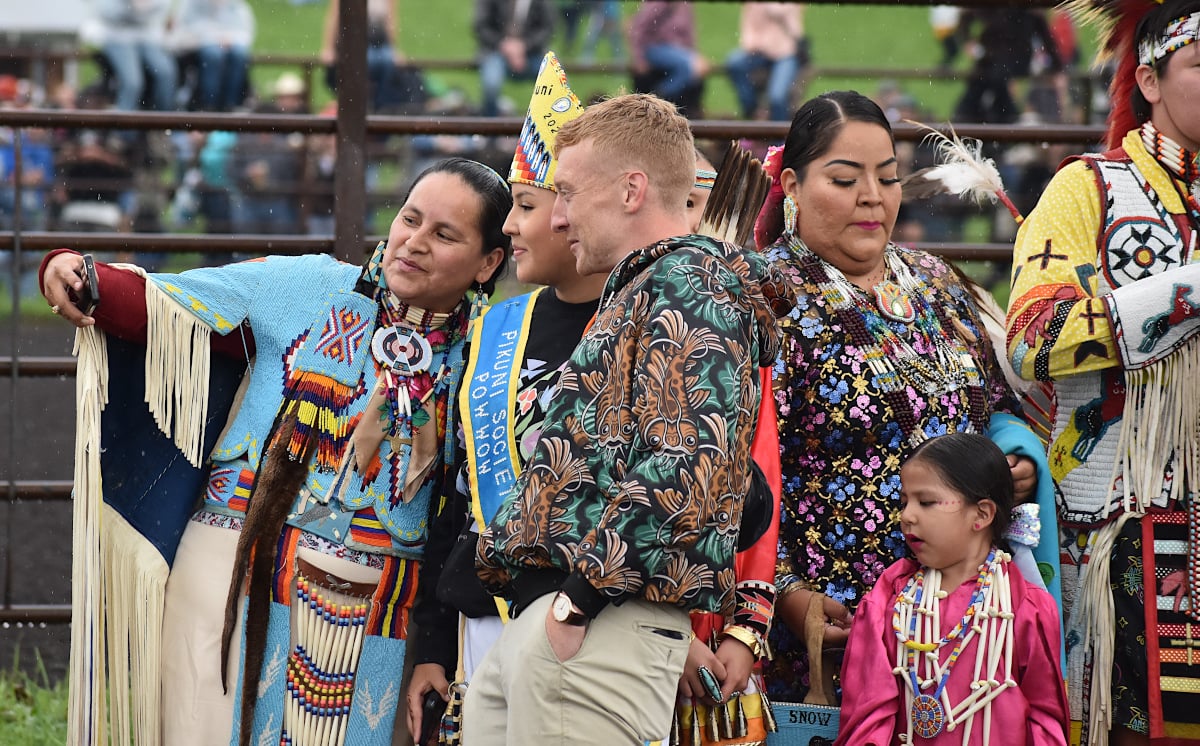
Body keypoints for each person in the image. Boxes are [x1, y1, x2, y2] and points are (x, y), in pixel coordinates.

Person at [40, 157, 510, 746]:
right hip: (230, 570)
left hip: (378, 609)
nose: (413, 243)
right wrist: (77, 271)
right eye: (409, 219)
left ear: (489, 261)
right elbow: (165, 304)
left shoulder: (492, 353)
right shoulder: (307, 286)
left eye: (445, 235)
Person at [466, 93, 793, 745]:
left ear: (631, 190)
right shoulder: (661, 284)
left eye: (567, 193)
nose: (557, 217)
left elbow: (685, 466)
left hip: (596, 625)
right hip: (573, 625)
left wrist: (575, 601)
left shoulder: (689, 283)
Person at [752, 90, 1043, 703]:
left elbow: (997, 406)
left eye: (887, 178)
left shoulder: (935, 282)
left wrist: (1011, 464)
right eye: (844, 178)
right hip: (831, 622)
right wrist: (781, 595)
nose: (872, 197)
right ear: (793, 187)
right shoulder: (761, 297)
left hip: (959, 622)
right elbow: (731, 469)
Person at [1005, 2, 1200, 742]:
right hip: (1125, 526)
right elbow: (1031, 338)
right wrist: (1184, 291)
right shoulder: (1089, 190)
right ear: (1148, 78)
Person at [404, 51, 602, 741]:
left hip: (595, 628)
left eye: (525, 206)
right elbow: (457, 497)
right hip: (483, 626)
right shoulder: (497, 330)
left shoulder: (646, 324)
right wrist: (432, 643)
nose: (510, 226)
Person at [836, 432, 1069, 745]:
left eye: (926, 502)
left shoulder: (1024, 605)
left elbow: (1045, 719)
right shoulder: (891, 601)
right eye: (904, 502)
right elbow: (868, 718)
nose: (906, 515)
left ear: (982, 514)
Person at [85, 0, 178, 112]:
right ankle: (123, 125)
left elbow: (162, 7)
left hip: (146, 36)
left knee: (166, 73)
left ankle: (164, 122)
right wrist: (131, 6)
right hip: (117, 36)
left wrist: (145, 6)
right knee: (133, 83)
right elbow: (105, 12)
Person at [726, 3, 807, 122]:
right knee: (734, 63)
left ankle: (778, 136)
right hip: (759, 50)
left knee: (777, 97)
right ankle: (752, 110)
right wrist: (751, 44)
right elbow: (748, 23)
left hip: (786, 52)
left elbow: (781, 13)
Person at [473, 0, 555, 117]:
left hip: (532, 53)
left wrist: (524, 46)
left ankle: (550, 125)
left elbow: (547, 28)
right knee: (491, 84)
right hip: (496, 51)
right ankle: (491, 126)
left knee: (557, 83)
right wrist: (504, 45)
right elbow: (481, 26)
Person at [170, 0, 255, 112]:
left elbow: (246, 34)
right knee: (213, 55)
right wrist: (214, 38)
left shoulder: (237, 6)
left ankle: (232, 105)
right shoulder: (190, 5)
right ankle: (208, 105)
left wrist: (229, 39)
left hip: (228, 47)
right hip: (196, 49)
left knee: (239, 54)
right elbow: (182, 33)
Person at [629, 1, 708, 116]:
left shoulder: (685, 6)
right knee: (686, 67)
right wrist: (639, 58)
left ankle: (666, 102)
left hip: (678, 52)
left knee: (697, 67)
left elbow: (688, 35)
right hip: (656, 47)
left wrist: (692, 55)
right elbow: (639, 28)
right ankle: (658, 99)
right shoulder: (659, 4)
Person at [320, 0, 401, 113]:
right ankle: (363, 107)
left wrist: (393, 49)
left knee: (388, 64)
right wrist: (328, 48)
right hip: (353, 43)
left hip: (378, 42)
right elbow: (334, 17)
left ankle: (380, 108)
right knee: (363, 64)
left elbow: (390, 21)